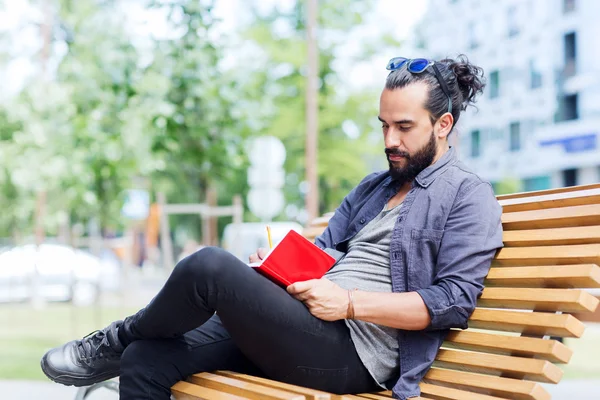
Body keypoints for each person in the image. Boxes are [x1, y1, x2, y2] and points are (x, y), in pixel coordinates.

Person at [41, 55, 503, 400]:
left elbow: (453, 302)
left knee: (209, 267)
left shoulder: (467, 195)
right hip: (299, 329)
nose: (389, 141)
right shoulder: (373, 187)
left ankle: (109, 342)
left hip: (353, 354)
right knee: (145, 360)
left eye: (404, 127)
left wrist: (347, 303)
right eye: (383, 126)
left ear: (444, 124)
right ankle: (123, 346)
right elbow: (321, 251)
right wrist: (278, 272)